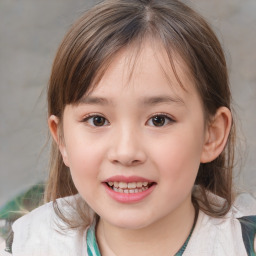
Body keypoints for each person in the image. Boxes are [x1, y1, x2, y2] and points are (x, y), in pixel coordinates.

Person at [1, 0, 256, 255]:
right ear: (63, 139)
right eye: (97, 120)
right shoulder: (23, 245)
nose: (125, 152)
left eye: (159, 120)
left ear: (212, 135)